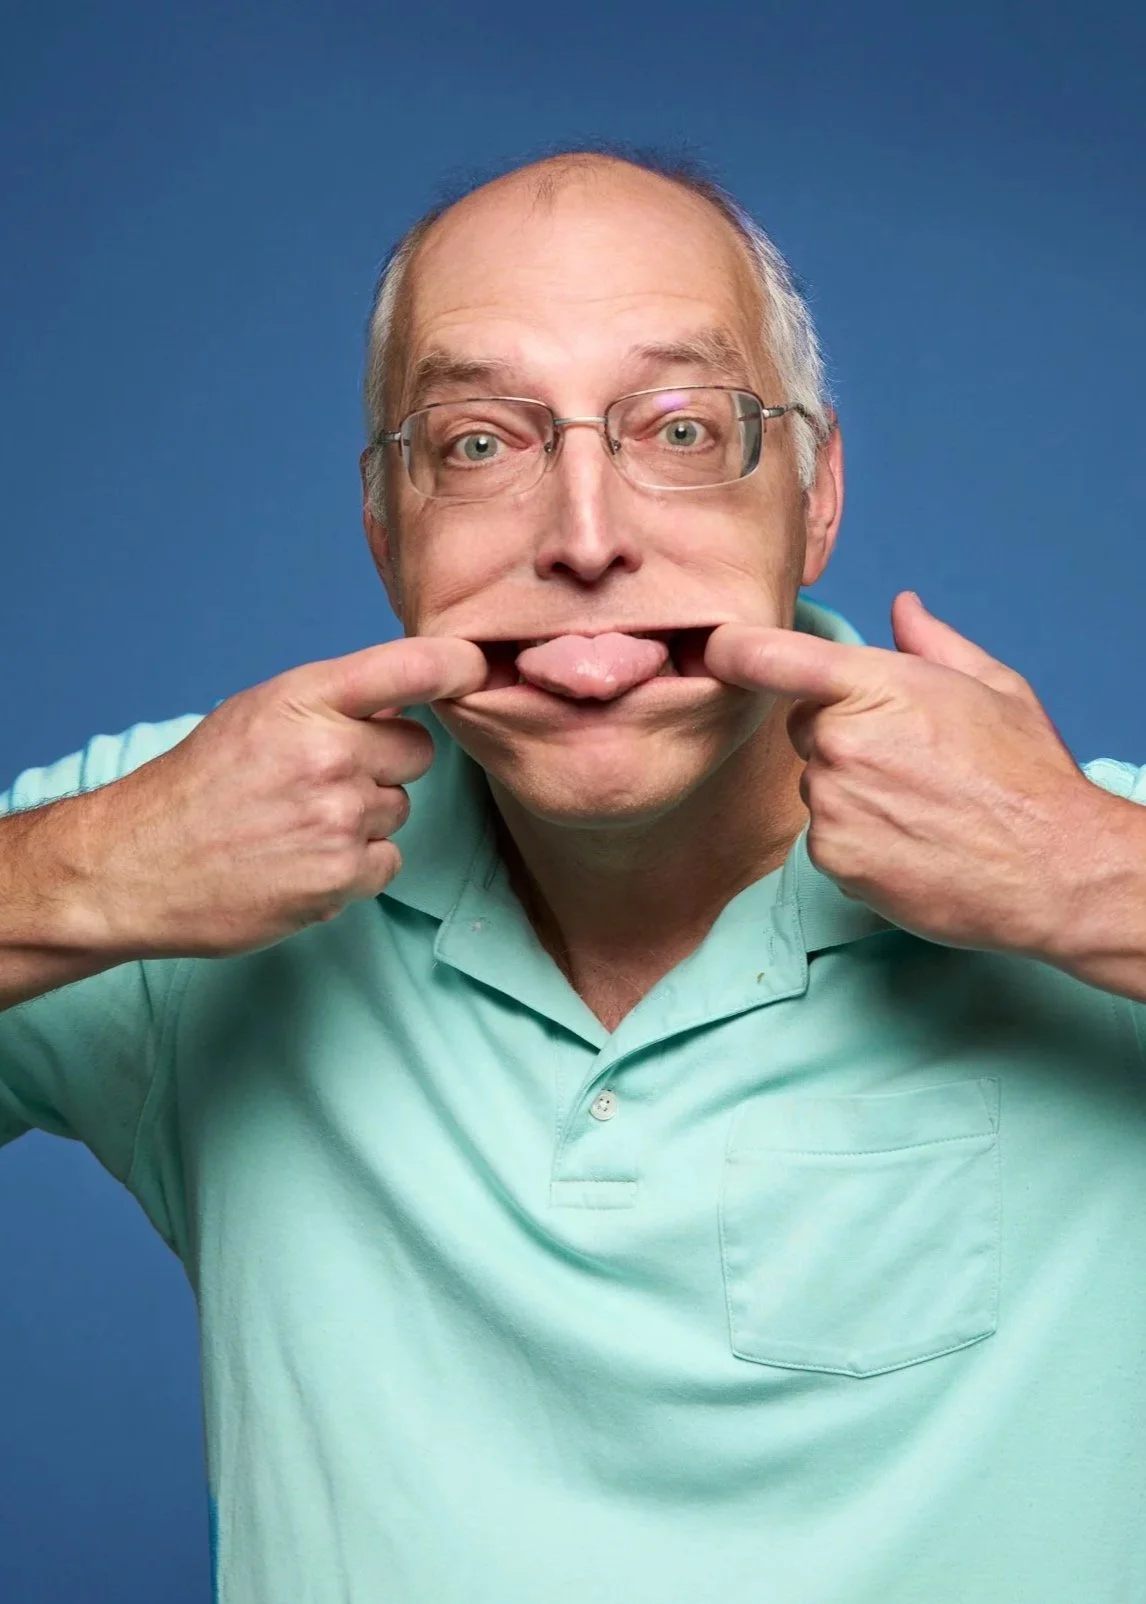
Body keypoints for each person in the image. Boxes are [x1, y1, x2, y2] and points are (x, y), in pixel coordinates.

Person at [2, 149, 1145, 1604]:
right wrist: (91, 874)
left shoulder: (1088, 866)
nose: (585, 537)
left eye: (680, 428)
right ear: (383, 523)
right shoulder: (176, 852)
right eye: (480, 443)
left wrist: (1090, 877)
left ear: (814, 492)